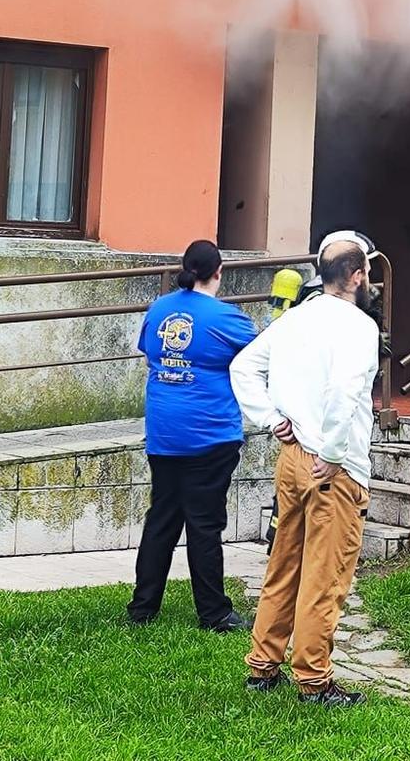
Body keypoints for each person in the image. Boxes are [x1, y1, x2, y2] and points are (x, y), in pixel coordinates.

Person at [231, 232, 380, 707]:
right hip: (331, 467)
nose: (370, 277)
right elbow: (344, 393)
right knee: (325, 574)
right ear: (356, 275)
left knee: (284, 564)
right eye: (368, 270)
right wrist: (333, 455)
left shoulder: (294, 318)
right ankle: (314, 679)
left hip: (293, 459)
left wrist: (273, 420)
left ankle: (262, 665)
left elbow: (243, 367)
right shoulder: (360, 328)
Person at [127, 240, 257, 632]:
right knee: (204, 523)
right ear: (219, 272)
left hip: (164, 433)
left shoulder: (160, 308)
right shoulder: (226, 318)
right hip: (209, 434)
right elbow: (264, 354)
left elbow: (149, 354)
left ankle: (143, 608)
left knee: (161, 519)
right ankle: (214, 613)